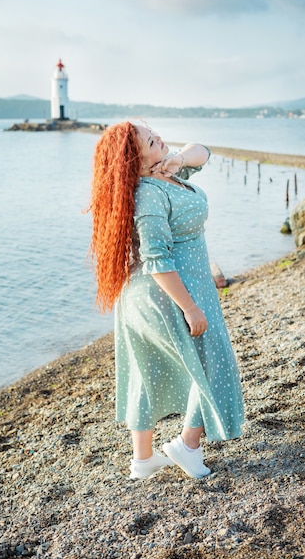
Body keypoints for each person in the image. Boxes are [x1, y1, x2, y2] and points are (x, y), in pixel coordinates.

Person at [88, 121, 244, 480]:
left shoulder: (166, 174)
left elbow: (203, 151)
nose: (155, 136)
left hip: (155, 292)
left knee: (145, 370)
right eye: (147, 139)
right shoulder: (148, 194)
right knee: (212, 363)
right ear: (132, 156)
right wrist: (189, 307)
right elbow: (157, 259)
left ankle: (143, 461)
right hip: (170, 291)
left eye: (152, 132)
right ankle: (188, 447)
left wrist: (174, 159)